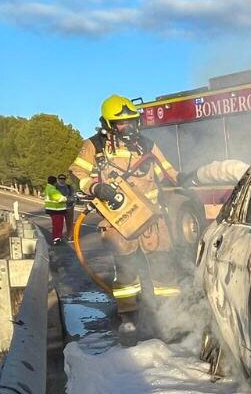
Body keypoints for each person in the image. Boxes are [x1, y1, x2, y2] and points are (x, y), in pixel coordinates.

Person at [68, 94, 181, 309]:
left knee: (164, 268)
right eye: (121, 123)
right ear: (108, 125)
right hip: (119, 221)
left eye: (131, 121)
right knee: (126, 272)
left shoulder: (147, 145)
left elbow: (167, 171)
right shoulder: (95, 146)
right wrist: (95, 187)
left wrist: (185, 179)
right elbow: (77, 171)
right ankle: (128, 315)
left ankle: (171, 314)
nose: (127, 126)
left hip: (152, 220)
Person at [43, 174, 67, 244]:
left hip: (53, 210)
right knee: (58, 225)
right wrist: (66, 198)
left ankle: (57, 237)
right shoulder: (52, 190)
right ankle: (56, 238)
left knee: (56, 225)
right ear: (54, 182)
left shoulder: (48, 188)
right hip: (56, 210)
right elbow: (60, 198)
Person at [55, 172, 76, 237]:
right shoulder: (55, 187)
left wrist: (69, 199)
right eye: (60, 178)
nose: (62, 180)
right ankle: (58, 236)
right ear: (58, 179)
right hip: (58, 207)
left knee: (69, 222)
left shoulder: (69, 187)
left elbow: (73, 196)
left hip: (69, 207)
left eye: (63, 178)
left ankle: (70, 235)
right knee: (58, 223)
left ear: (65, 179)